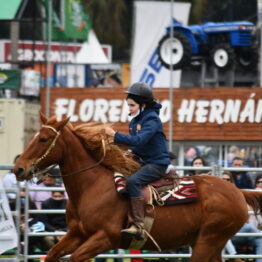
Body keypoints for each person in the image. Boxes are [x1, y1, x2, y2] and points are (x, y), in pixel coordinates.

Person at [105, 82, 170, 240]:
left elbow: (140, 140)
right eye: (128, 105)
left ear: (143, 105)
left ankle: (138, 225)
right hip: (145, 161)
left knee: (133, 182)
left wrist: (115, 135)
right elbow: (139, 145)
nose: (130, 109)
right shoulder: (136, 120)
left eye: (132, 105)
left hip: (157, 163)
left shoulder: (152, 119)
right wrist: (130, 152)